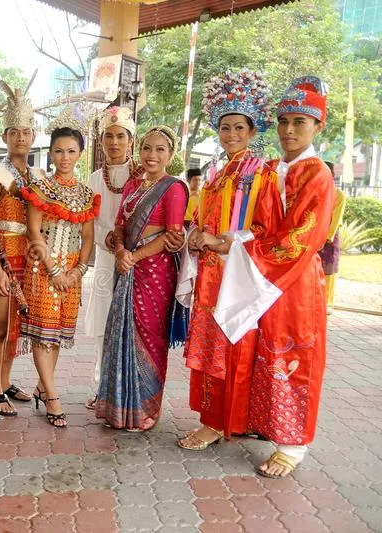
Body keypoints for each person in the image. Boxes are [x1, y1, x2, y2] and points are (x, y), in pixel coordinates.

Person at [207, 77, 335, 478]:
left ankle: (294, 445)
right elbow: (263, 227)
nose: (289, 130)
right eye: (283, 121)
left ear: (318, 127)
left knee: (293, 357)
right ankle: (266, 426)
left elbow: (299, 240)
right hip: (264, 277)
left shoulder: (317, 175)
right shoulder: (274, 170)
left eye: (300, 121)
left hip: (293, 284)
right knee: (263, 355)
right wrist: (238, 238)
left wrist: (240, 249)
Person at [177, 70, 278, 450]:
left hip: (235, 276)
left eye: (238, 127)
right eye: (224, 128)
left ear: (253, 131)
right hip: (210, 275)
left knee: (234, 347)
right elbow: (201, 221)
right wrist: (193, 237)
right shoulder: (217, 174)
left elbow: (266, 230)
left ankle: (222, 421)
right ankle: (219, 418)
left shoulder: (261, 175)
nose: (231, 135)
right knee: (215, 349)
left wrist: (222, 242)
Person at [95, 125, 188, 431]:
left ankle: (147, 408)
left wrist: (133, 256)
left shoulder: (173, 188)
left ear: (170, 155)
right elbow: (120, 224)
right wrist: (121, 249)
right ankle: (120, 408)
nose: (152, 155)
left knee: (150, 337)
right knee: (122, 333)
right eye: (147, 148)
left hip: (155, 272)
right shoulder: (134, 185)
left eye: (160, 149)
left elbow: (172, 235)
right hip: (127, 267)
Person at [21, 108, 99, 428]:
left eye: (71, 151)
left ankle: (43, 386)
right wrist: (54, 270)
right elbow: (33, 232)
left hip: (72, 271)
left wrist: (77, 272)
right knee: (44, 334)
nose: (64, 157)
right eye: (58, 151)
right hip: (44, 268)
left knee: (56, 336)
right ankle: (52, 397)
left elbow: (89, 238)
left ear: (80, 153)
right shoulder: (41, 188)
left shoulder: (85, 193)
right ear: (50, 153)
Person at [0, 80, 42, 416]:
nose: (20, 137)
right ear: (4, 136)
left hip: (27, 259)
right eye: (14, 131)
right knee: (0, 323)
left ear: (34, 136)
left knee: (16, 325)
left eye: (26, 131)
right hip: (1, 254)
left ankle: (4, 381)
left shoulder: (36, 176)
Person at [84, 104, 142, 411]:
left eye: (120, 136)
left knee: (132, 325)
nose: (114, 142)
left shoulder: (143, 175)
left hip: (137, 261)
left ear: (131, 140)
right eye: (109, 136)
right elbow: (86, 221)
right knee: (103, 324)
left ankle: (129, 387)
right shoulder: (94, 179)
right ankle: (101, 385)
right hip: (106, 260)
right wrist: (105, 237)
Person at [318, 162, 345, 314]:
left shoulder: (338, 194)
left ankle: (328, 303)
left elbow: (336, 217)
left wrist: (326, 237)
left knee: (329, 269)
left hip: (329, 237)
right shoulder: (316, 191)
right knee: (317, 269)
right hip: (314, 236)